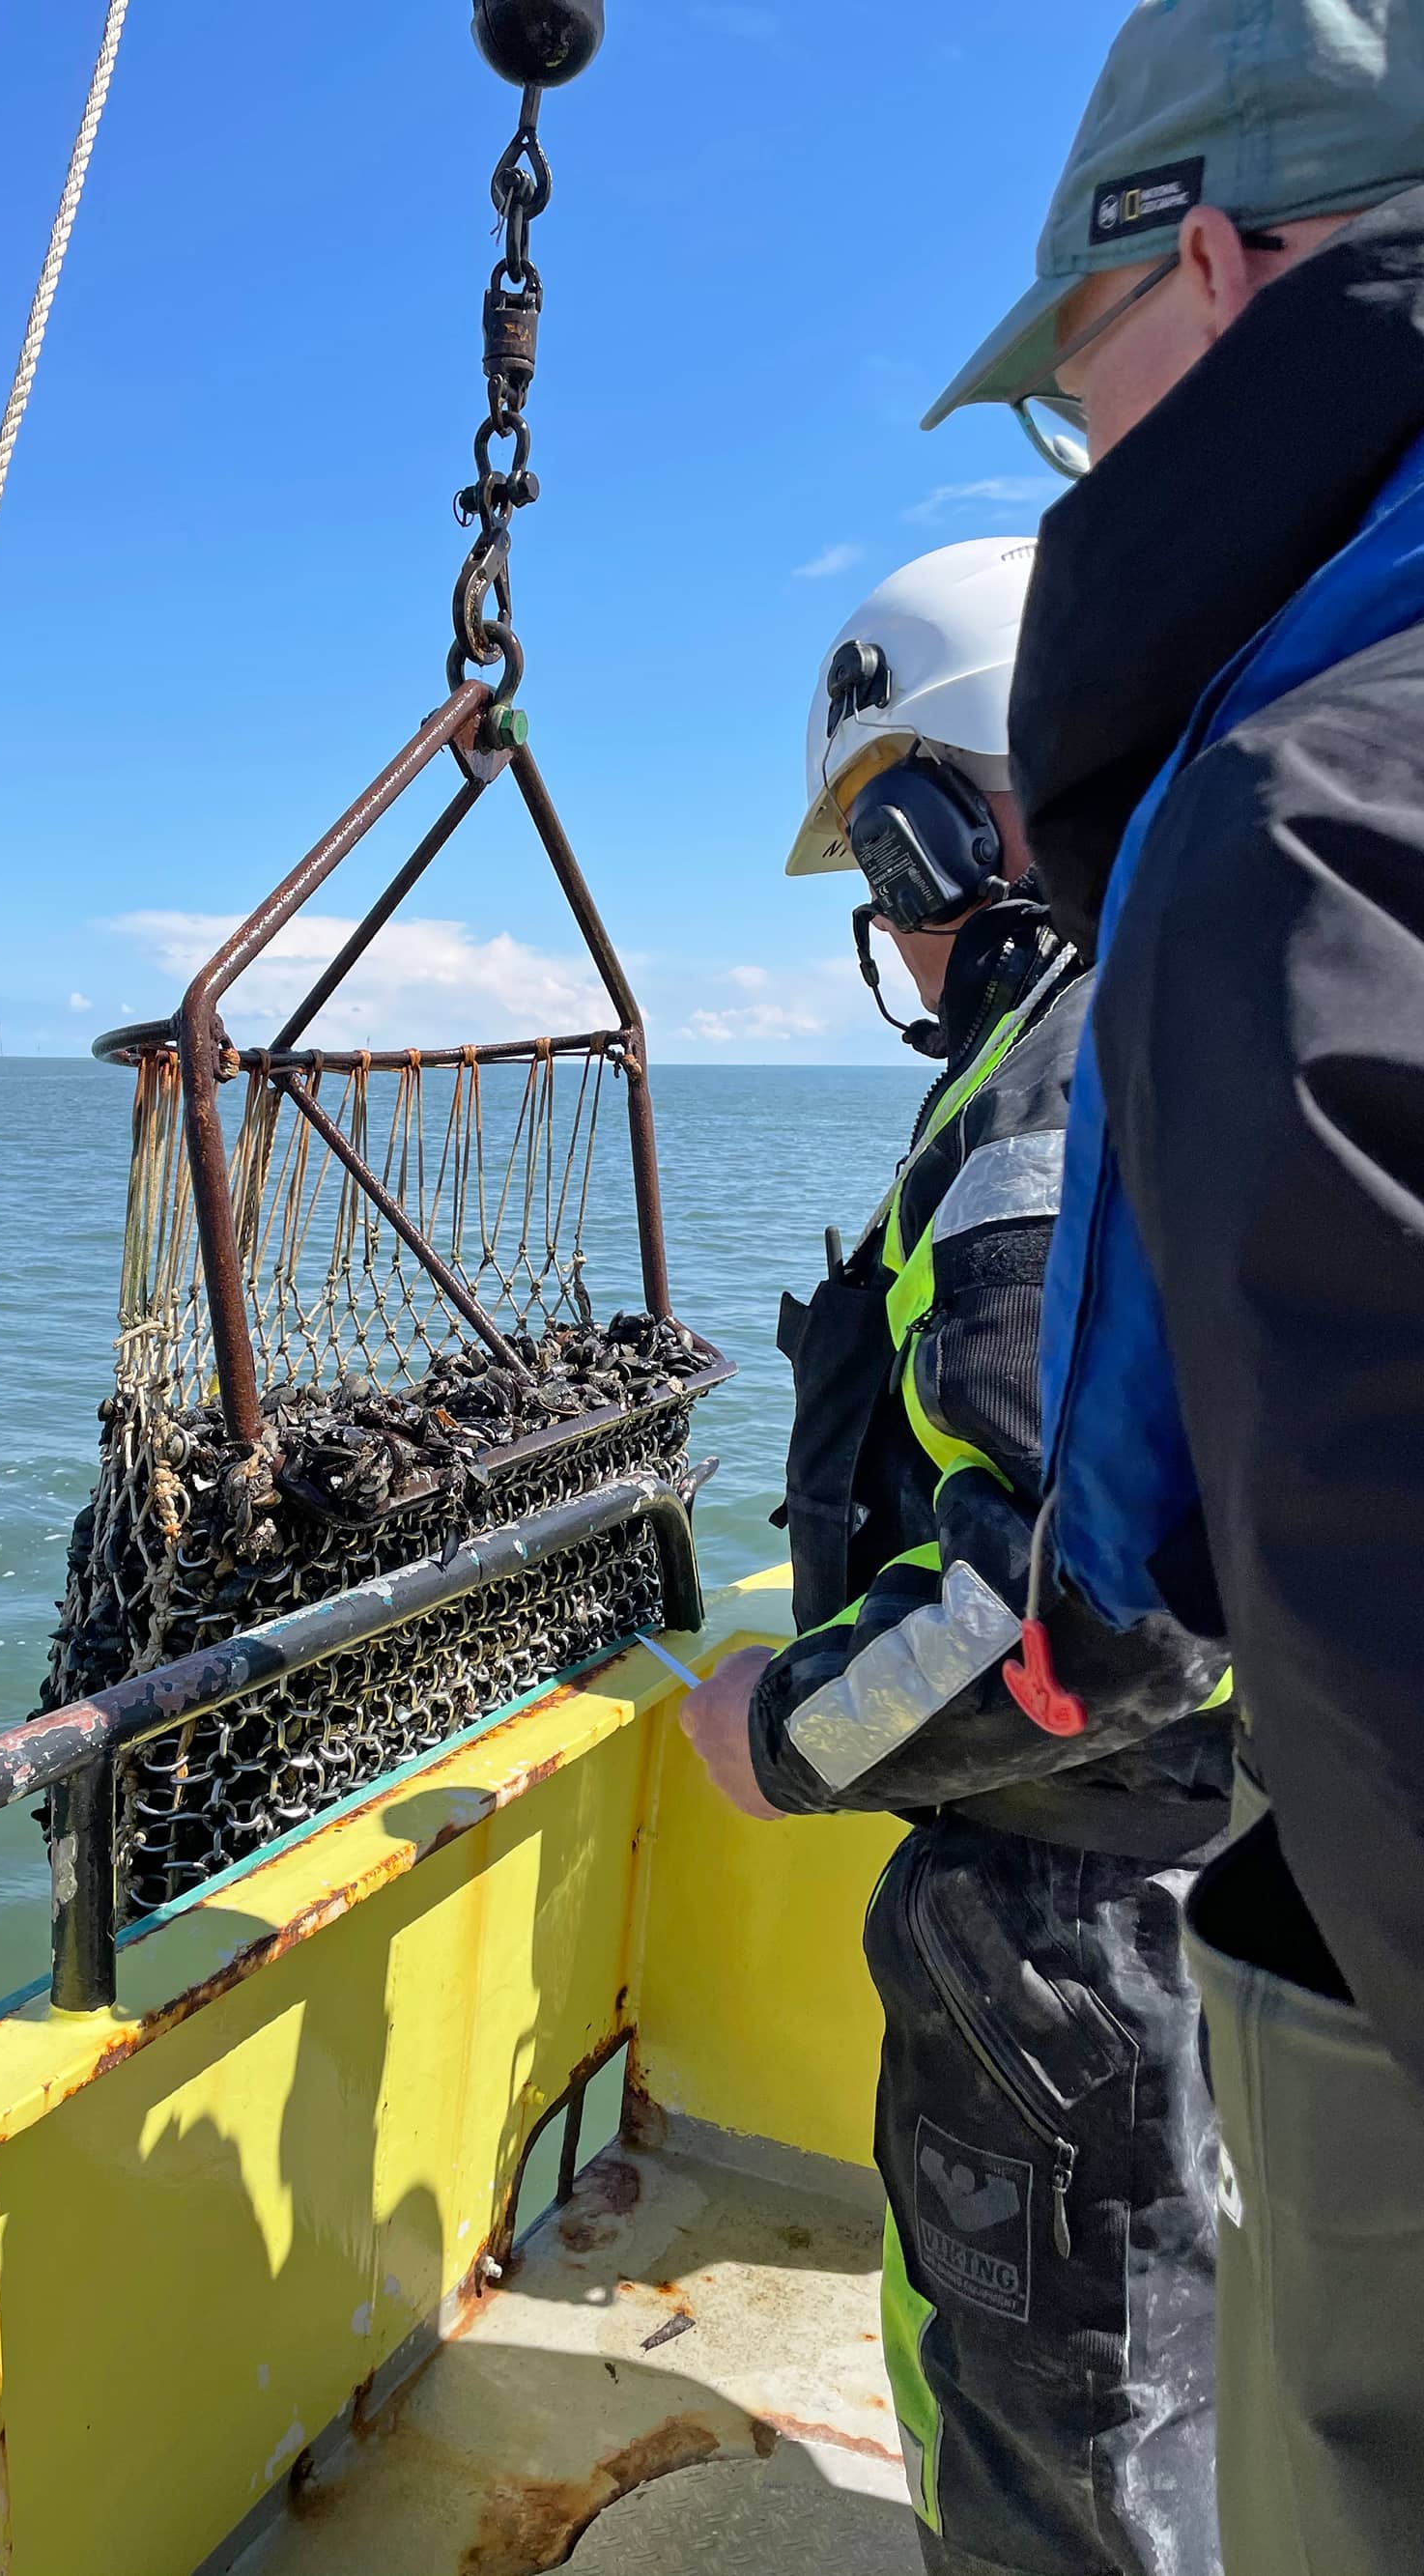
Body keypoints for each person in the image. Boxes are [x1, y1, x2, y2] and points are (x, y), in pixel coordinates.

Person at [919, 2, 1424, 2566]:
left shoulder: (1297, 826)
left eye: (1069, 387)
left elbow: (1068, 1584)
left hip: (1101, 1901)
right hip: (1165, 1886)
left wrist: (784, 1737)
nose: (1080, 455)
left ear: (1206, 259)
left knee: (1087, 2407)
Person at [681, 538, 1233, 2576]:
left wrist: (780, 1728)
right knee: (1163, 2413)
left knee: (1055, 2456)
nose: (897, 938)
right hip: (1207, 1882)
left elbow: (1061, 1602)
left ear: (951, 823)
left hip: (1065, 1931)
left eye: (886, 866)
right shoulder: (1201, 1016)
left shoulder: (1041, 1110)